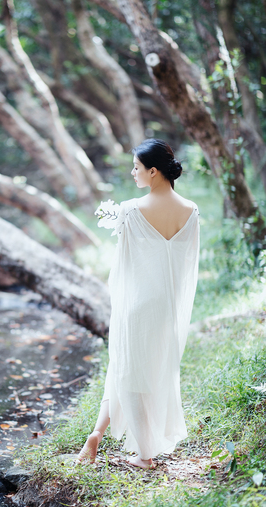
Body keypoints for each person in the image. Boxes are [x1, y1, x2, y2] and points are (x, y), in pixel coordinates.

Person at [77, 139, 199, 469]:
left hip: (138, 304)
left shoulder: (132, 210)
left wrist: (120, 302)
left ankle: (144, 454)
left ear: (153, 171)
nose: (133, 173)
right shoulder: (191, 210)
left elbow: (123, 268)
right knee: (147, 371)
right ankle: (98, 433)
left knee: (128, 372)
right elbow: (188, 265)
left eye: (136, 167)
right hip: (168, 305)